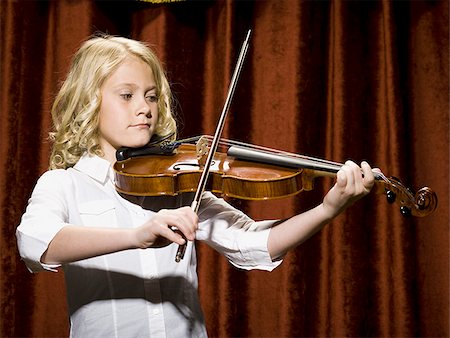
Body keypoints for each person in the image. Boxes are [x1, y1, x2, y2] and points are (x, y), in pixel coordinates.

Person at [16, 34, 377, 338]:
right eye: (127, 96)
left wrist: (328, 209)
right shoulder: (64, 184)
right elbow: (36, 243)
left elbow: (252, 243)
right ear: (89, 103)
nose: (144, 108)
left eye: (151, 95)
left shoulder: (177, 183)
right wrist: (136, 235)